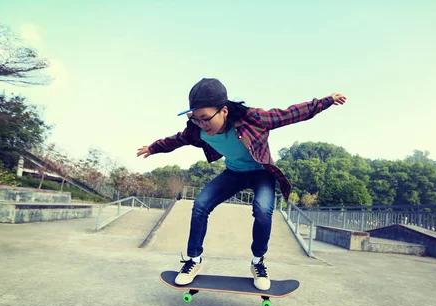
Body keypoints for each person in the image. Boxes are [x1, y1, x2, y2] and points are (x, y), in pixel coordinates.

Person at [137, 78, 346, 290]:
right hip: (234, 173)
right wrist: (153, 148)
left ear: (224, 111)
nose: (202, 124)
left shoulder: (252, 119)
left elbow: (291, 114)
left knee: (263, 210)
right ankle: (194, 260)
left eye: (206, 118)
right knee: (200, 205)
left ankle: (258, 262)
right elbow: (176, 140)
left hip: (261, 173)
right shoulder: (196, 130)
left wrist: (326, 101)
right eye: (197, 119)